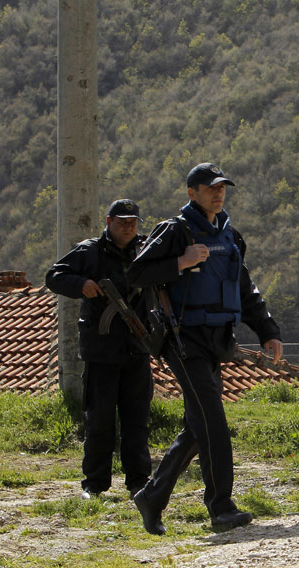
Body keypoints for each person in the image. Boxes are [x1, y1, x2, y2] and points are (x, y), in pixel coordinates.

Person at [127, 162, 283, 535]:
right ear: (191, 193)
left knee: (199, 427)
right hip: (183, 340)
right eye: (210, 187)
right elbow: (135, 273)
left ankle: (152, 496)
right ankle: (221, 507)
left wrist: (267, 330)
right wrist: (180, 262)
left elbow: (244, 288)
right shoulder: (174, 231)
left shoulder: (229, 236)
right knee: (213, 421)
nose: (218, 193)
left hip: (217, 340)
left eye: (221, 187)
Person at [45, 199, 152, 500]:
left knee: (137, 421)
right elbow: (54, 276)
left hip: (137, 347)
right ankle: (94, 484)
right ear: (108, 222)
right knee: (100, 421)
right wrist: (82, 284)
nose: (128, 227)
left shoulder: (146, 249)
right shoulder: (89, 251)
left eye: (133, 222)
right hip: (101, 350)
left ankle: (139, 482)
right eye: (122, 222)